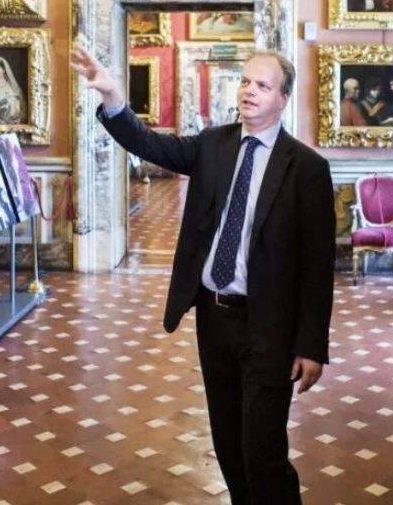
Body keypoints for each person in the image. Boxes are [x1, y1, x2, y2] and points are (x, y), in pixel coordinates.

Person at [70, 42, 335, 505]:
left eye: (263, 85)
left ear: (283, 98)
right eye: (246, 81)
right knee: (228, 445)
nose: (249, 92)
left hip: (269, 326)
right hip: (214, 319)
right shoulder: (214, 144)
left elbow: (318, 267)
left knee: (263, 451)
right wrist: (113, 96)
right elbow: (149, 144)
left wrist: (311, 345)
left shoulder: (307, 168)